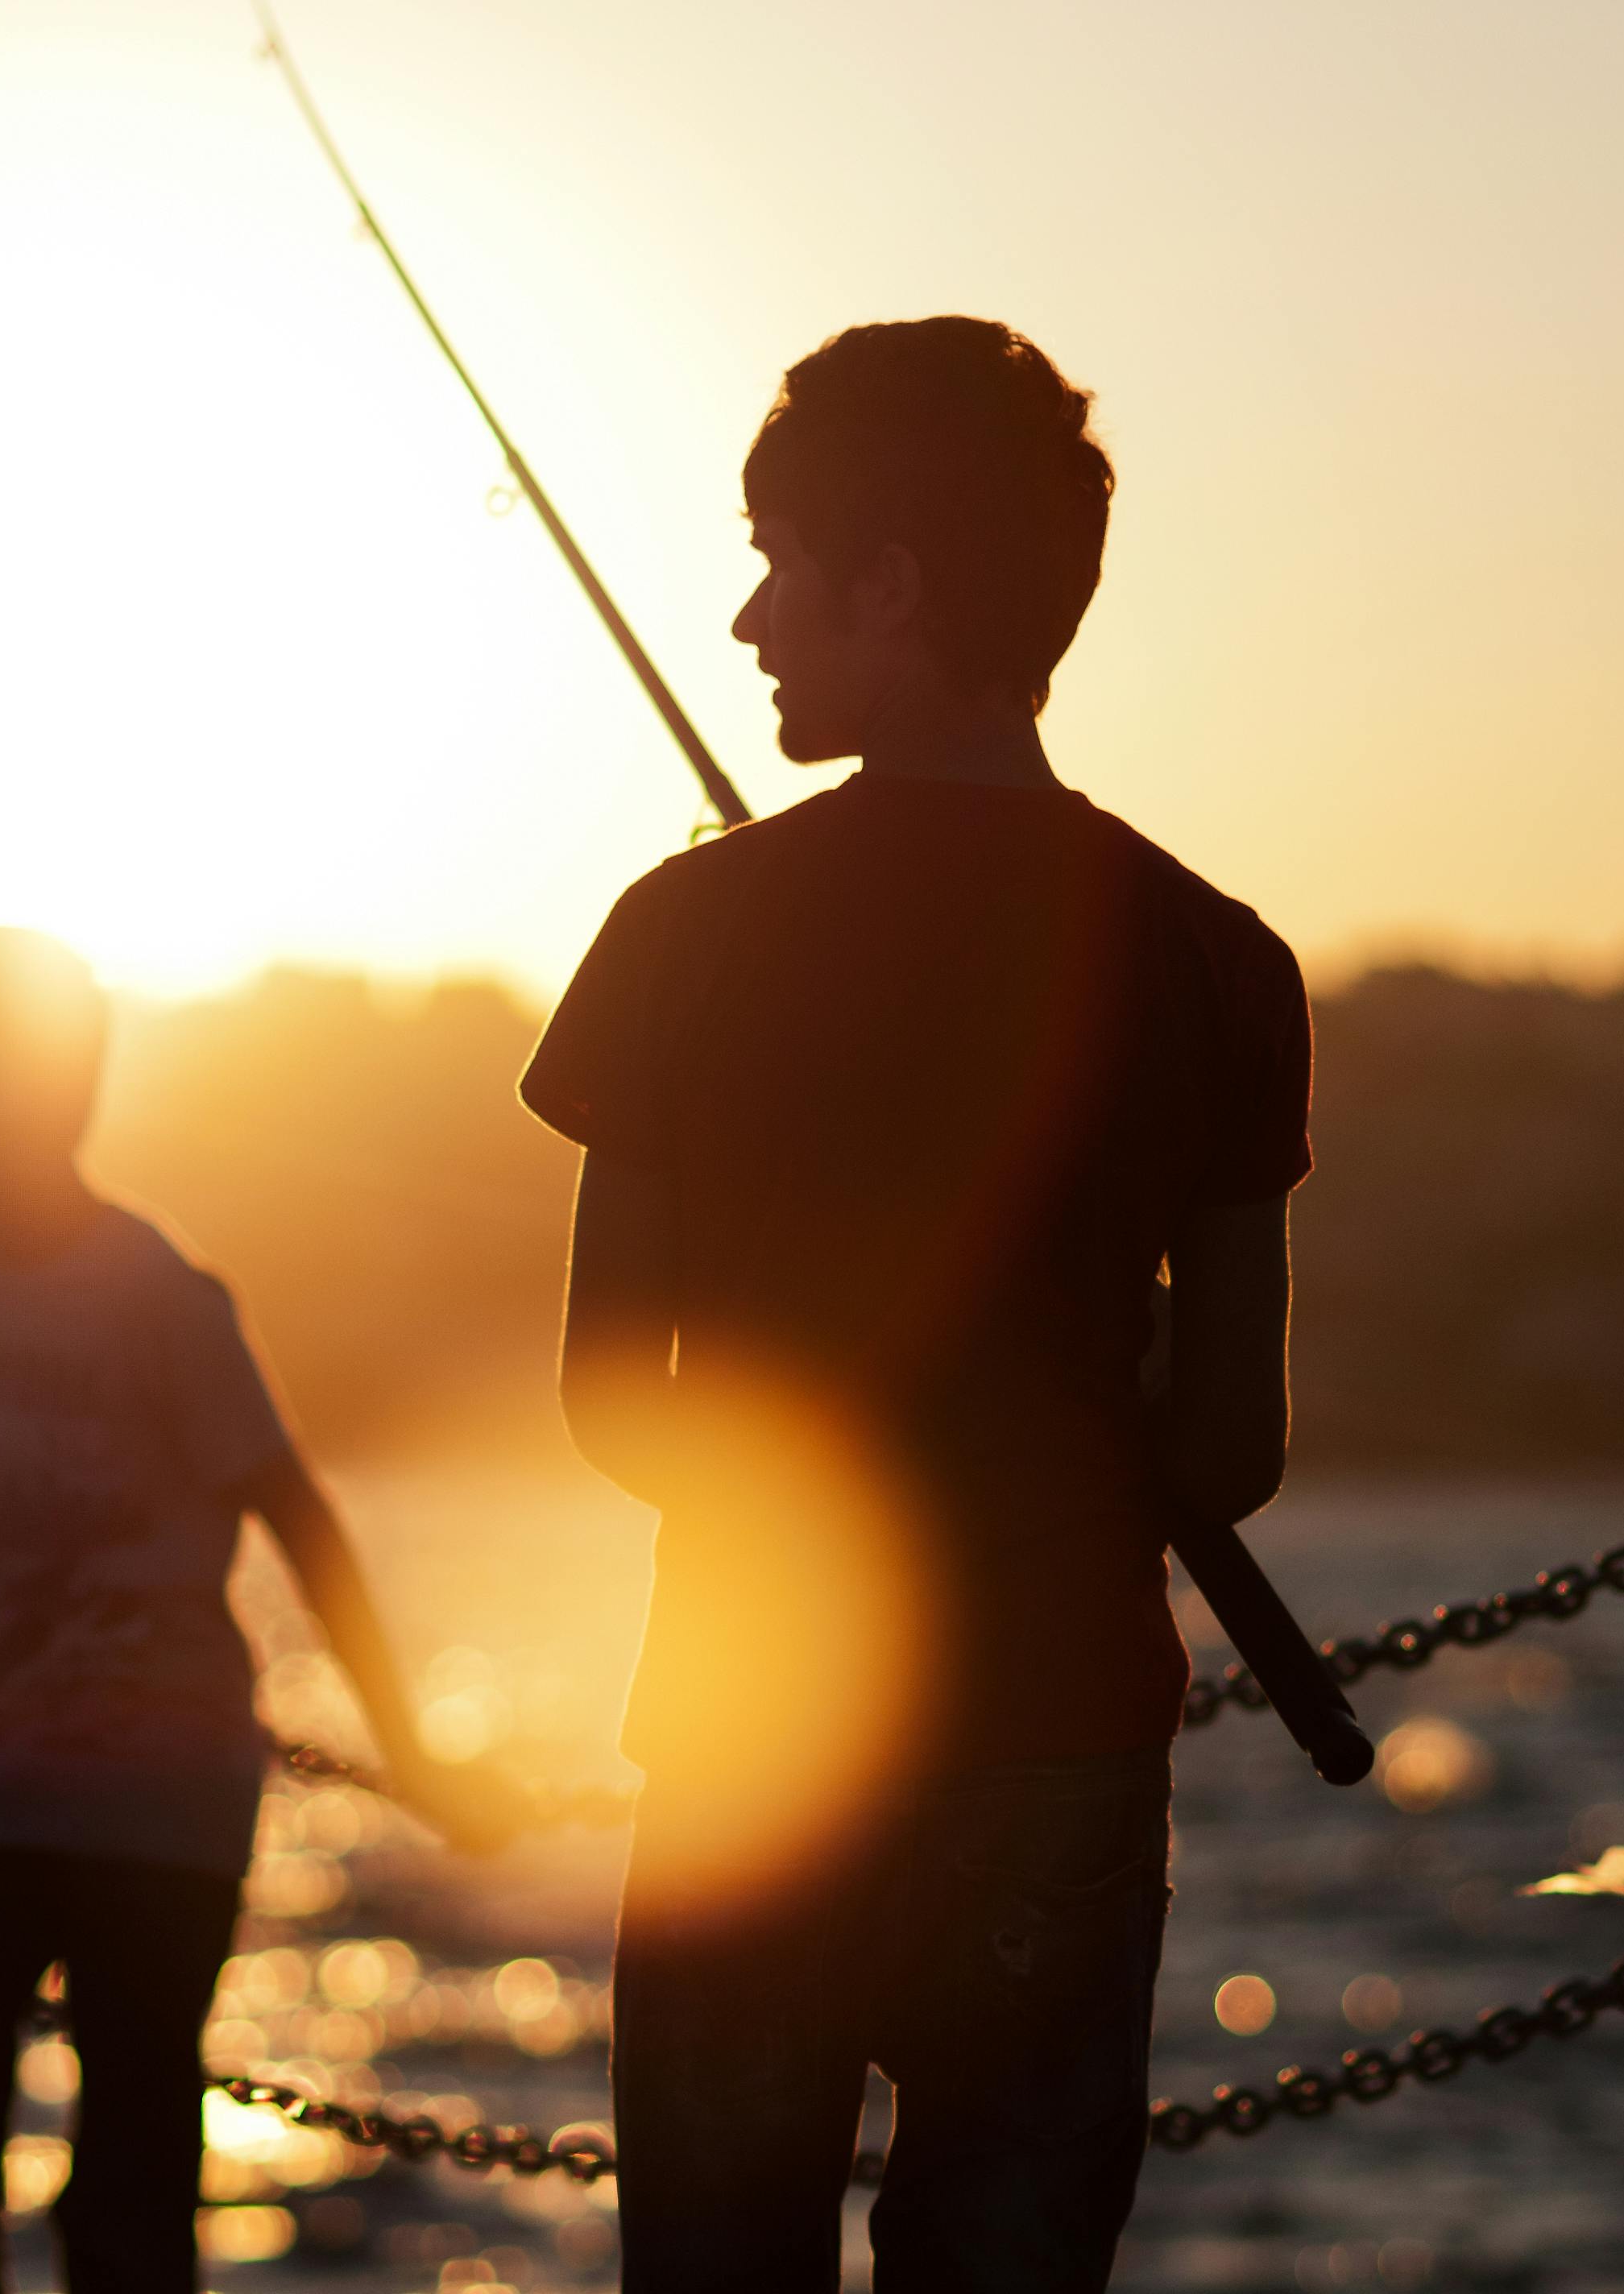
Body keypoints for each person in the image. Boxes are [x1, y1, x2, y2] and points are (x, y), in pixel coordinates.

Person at [521, 317, 1312, 2292]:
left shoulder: (679, 931)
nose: (744, 617)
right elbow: (1228, 1446)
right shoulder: (1217, 959)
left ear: (887, 584)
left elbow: (616, 1398)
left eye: (780, 560)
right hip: (1056, 1737)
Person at [0, 926, 515, 2294]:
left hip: (161, 1799)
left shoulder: (163, 1294)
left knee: (129, 2196)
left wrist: (419, 1755)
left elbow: (301, 1516)